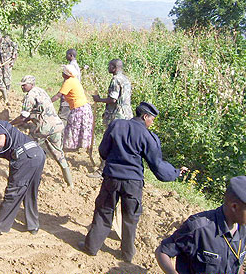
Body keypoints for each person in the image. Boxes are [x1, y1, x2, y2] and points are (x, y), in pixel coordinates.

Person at [78, 102, 188, 262]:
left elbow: (103, 150)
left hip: (112, 178)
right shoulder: (148, 137)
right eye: (152, 119)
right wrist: (175, 172)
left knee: (103, 211)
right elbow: (157, 165)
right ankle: (127, 254)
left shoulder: (117, 125)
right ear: (145, 117)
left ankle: (91, 247)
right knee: (130, 218)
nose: (152, 123)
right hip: (133, 183)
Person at [155, 176, 246, 274]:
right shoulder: (198, 228)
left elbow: (237, 263)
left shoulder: (245, 231)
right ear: (234, 207)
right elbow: (162, 252)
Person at [11, 75, 73, 187]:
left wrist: (10, 124)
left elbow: (23, 117)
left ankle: (18, 174)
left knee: (25, 149)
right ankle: (70, 183)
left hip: (43, 129)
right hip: (56, 126)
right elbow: (37, 112)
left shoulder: (29, 96)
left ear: (31, 84)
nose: (22, 88)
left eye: (24, 85)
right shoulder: (41, 91)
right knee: (58, 154)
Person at [88, 59, 133, 179]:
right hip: (126, 115)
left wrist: (99, 100)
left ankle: (102, 170)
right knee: (121, 143)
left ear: (114, 68)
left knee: (108, 141)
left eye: (109, 66)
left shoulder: (115, 80)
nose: (108, 68)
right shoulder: (125, 79)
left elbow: (113, 99)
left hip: (116, 116)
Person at [51, 64, 93, 155]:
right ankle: (78, 147)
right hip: (84, 107)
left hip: (79, 109)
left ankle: (70, 149)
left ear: (66, 74)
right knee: (81, 128)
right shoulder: (74, 80)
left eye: (63, 72)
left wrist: (47, 102)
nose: (62, 74)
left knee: (73, 128)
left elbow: (58, 95)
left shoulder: (69, 82)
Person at [58, 49, 81, 126]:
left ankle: (61, 135)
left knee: (63, 116)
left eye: (67, 55)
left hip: (69, 94)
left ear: (71, 55)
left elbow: (59, 94)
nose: (65, 56)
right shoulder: (75, 65)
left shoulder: (71, 67)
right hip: (73, 93)